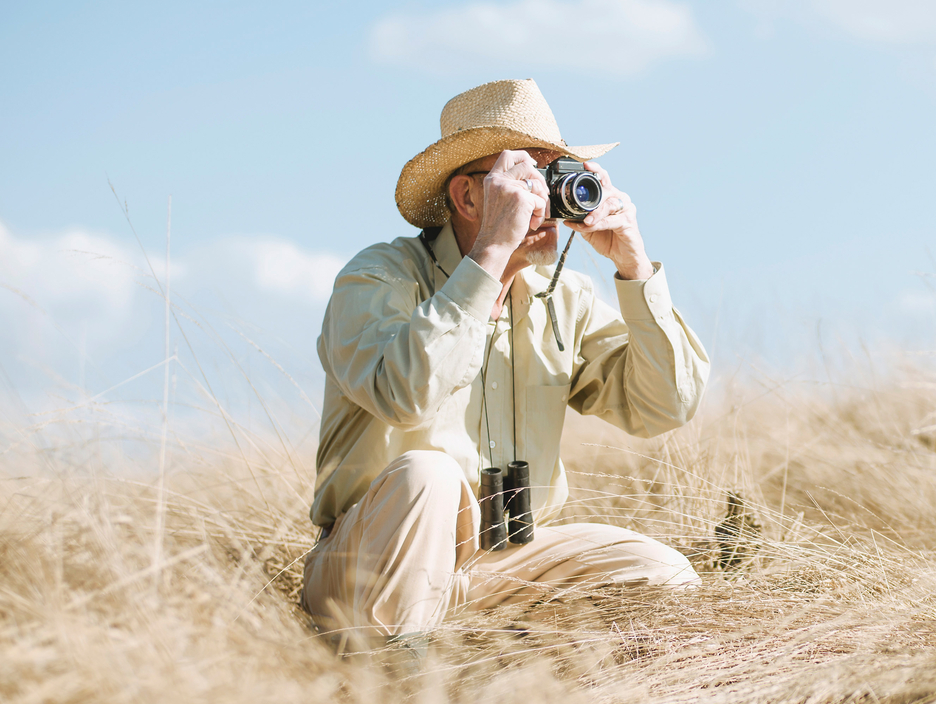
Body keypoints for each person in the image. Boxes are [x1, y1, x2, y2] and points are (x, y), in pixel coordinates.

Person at [300, 77, 710, 652]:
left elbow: (666, 405)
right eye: (526, 180)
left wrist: (634, 267)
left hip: (505, 559)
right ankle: (394, 691)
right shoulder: (379, 276)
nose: (549, 198)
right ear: (469, 198)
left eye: (557, 176)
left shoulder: (560, 297)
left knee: (663, 575)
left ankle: (563, 690)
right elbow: (404, 394)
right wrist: (492, 253)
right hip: (372, 562)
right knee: (428, 474)